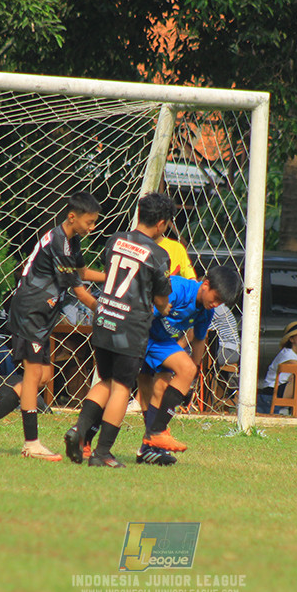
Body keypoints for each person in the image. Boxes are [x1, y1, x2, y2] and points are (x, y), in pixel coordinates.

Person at [0, 192, 106, 461]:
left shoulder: (71, 240)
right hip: (31, 310)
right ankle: (31, 443)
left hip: (41, 315)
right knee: (32, 376)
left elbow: (82, 273)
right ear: (72, 217)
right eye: (89, 222)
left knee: (41, 377)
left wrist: (115, 276)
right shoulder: (59, 243)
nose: (93, 227)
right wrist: (111, 312)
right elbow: (80, 291)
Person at [64, 193, 175, 468]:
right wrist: (165, 307)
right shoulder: (159, 255)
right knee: (122, 388)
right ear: (161, 224)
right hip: (130, 326)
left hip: (104, 318)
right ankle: (102, 453)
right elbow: (161, 300)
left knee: (106, 381)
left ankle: (79, 430)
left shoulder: (115, 240)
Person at [136, 265, 243, 453]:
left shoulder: (206, 311)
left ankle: (153, 439)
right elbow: (143, 314)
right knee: (127, 386)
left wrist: (193, 369)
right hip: (139, 333)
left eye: (221, 302)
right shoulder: (177, 288)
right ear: (205, 284)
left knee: (166, 383)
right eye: (216, 298)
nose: (216, 304)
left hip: (161, 341)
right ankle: (86, 434)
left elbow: (199, 340)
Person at [257, 321, 297, 415]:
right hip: (274, 388)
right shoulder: (287, 354)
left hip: (287, 386)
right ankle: (293, 409)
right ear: (291, 339)